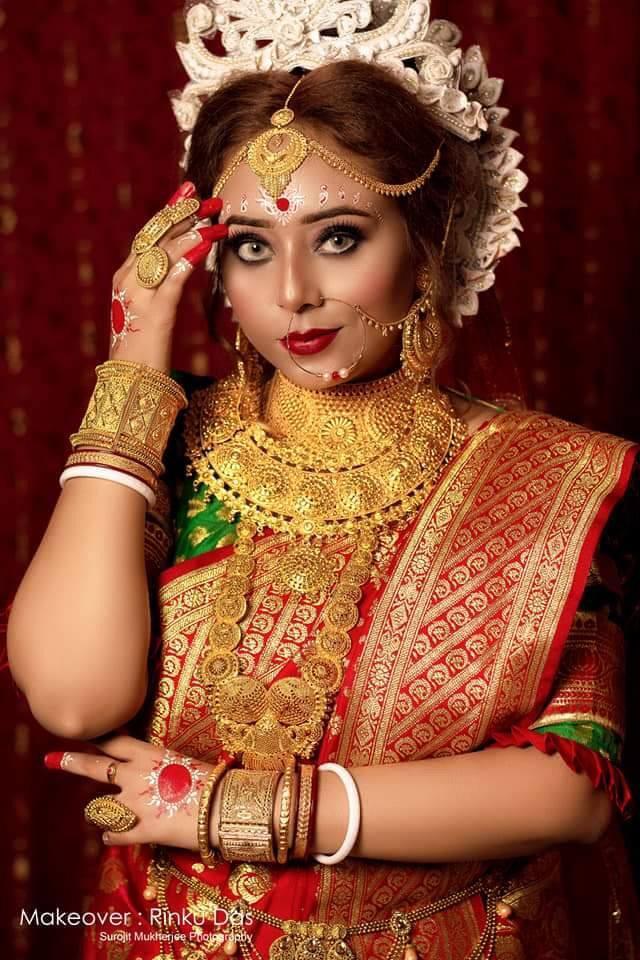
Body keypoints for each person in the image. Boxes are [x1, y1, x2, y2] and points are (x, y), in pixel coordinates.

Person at [6, 3, 640, 958]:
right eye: (250, 246)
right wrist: (135, 352)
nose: (293, 293)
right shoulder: (166, 446)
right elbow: (73, 700)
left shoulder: (547, 477)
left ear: (427, 239)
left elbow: (571, 790)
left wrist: (230, 808)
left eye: (339, 237)